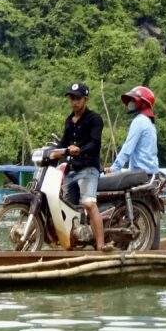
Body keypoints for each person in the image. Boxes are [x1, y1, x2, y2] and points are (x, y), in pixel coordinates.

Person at [58, 82, 110, 251]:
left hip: (89, 168)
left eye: (78, 98)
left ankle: (101, 244)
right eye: (72, 98)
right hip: (72, 170)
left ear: (86, 99)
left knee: (88, 203)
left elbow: (95, 143)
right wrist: (49, 152)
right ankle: (71, 245)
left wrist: (79, 149)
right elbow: (63, 144)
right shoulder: (69, 120)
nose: (74, 102)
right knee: (66, 207)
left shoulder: (94, 119)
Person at [105, 86, 159, 175]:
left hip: (141, 173)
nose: (131, 103)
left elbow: (128, 148)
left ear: (144, 103)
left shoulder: (139, 121)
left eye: (134, 100)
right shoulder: (150, 123)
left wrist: (115, 168)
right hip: (151, 172)